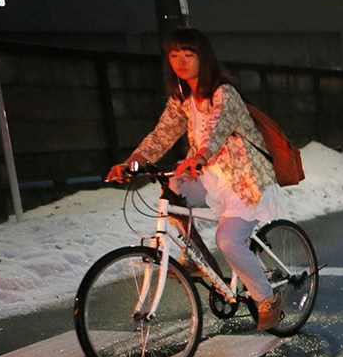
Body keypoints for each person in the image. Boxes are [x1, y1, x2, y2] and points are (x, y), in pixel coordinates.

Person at [107, 26, 286, 330]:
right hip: (209, 177)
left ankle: (267, 298)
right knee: (173, 190)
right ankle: (195, 258)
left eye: (188, 55)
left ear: (204, 58)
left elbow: (215, 132)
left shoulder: (223, 94)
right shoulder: (182, 98)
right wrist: (132, 162)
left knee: (228, 240)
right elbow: (161, 135)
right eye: (174, 55)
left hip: (244, 180)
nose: (181, 61)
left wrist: (199, 157)